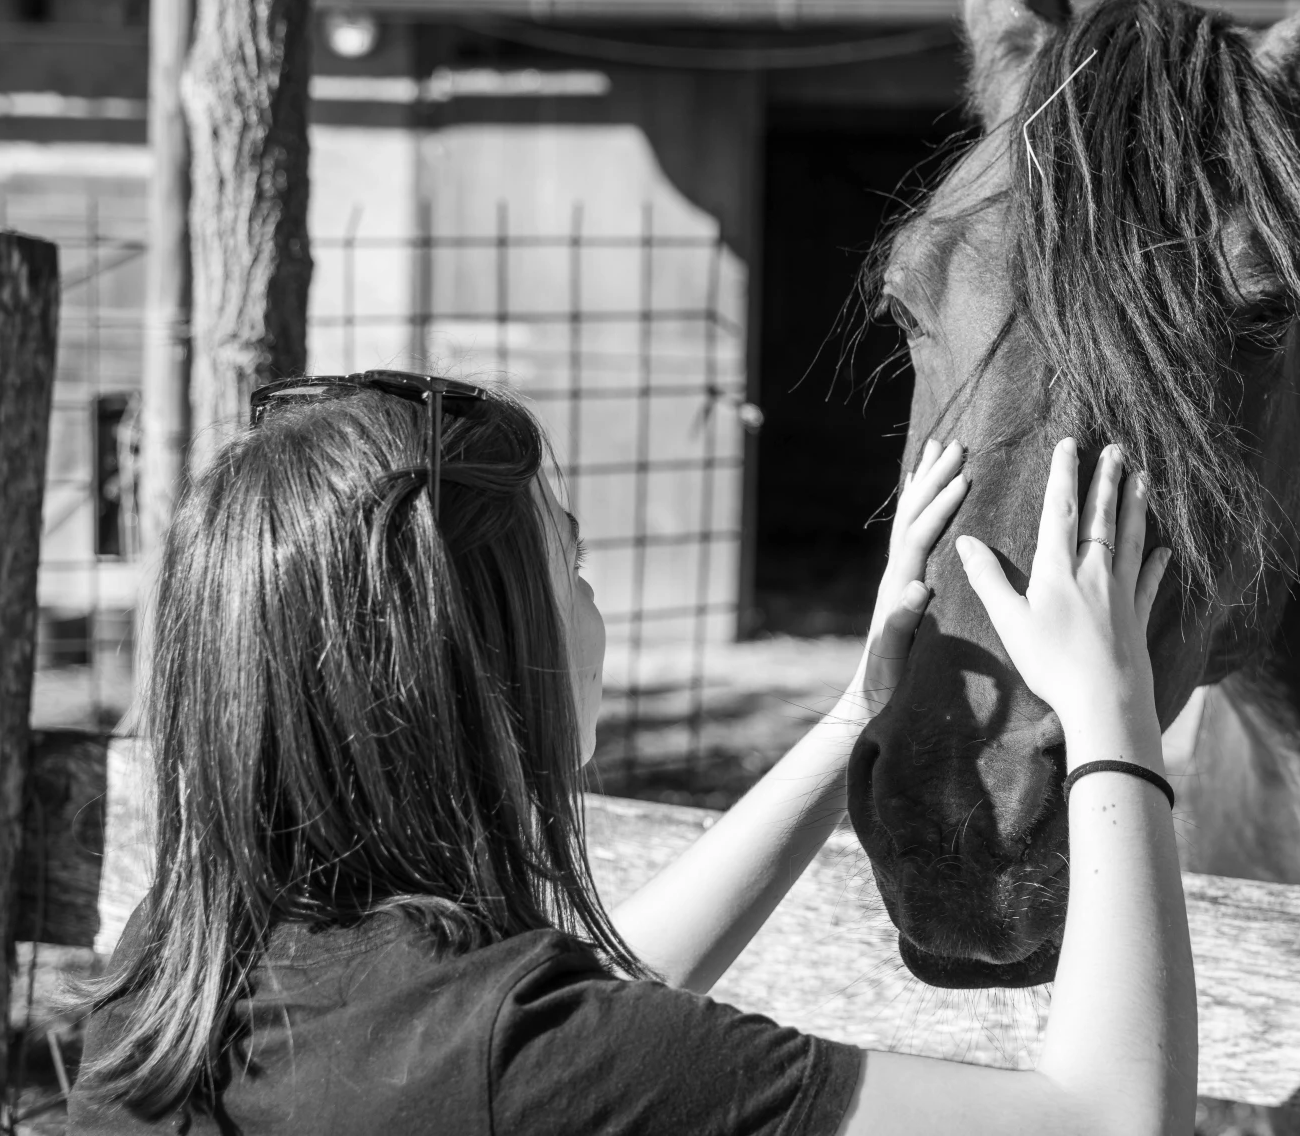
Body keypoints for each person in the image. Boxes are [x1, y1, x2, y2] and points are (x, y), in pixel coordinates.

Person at [68, 372, 1192, 1136]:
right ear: (486, 665)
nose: (596, 605)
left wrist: (856, 712)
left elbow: (573, 1030)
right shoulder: (519, 1060)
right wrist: (1110, 711)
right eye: (574, 568)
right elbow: (1106, 1118)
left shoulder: (181, 972)